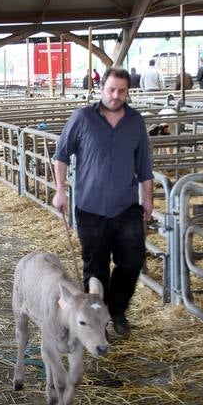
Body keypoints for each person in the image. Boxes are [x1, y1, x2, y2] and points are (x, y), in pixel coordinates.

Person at [51, 67, 153, 338]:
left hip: (126, 205)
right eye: (111, 89)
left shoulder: (135, 122)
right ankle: (97, 322)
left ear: (128, 91)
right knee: (95, 268)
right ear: (101, 88)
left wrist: (149, 199)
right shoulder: (83, 118)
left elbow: (144, 165)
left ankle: (117, 311)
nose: (116, 95)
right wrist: (60, 190)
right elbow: (61, 155)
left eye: (121, 90)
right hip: (90, 207)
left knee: (132, 261)